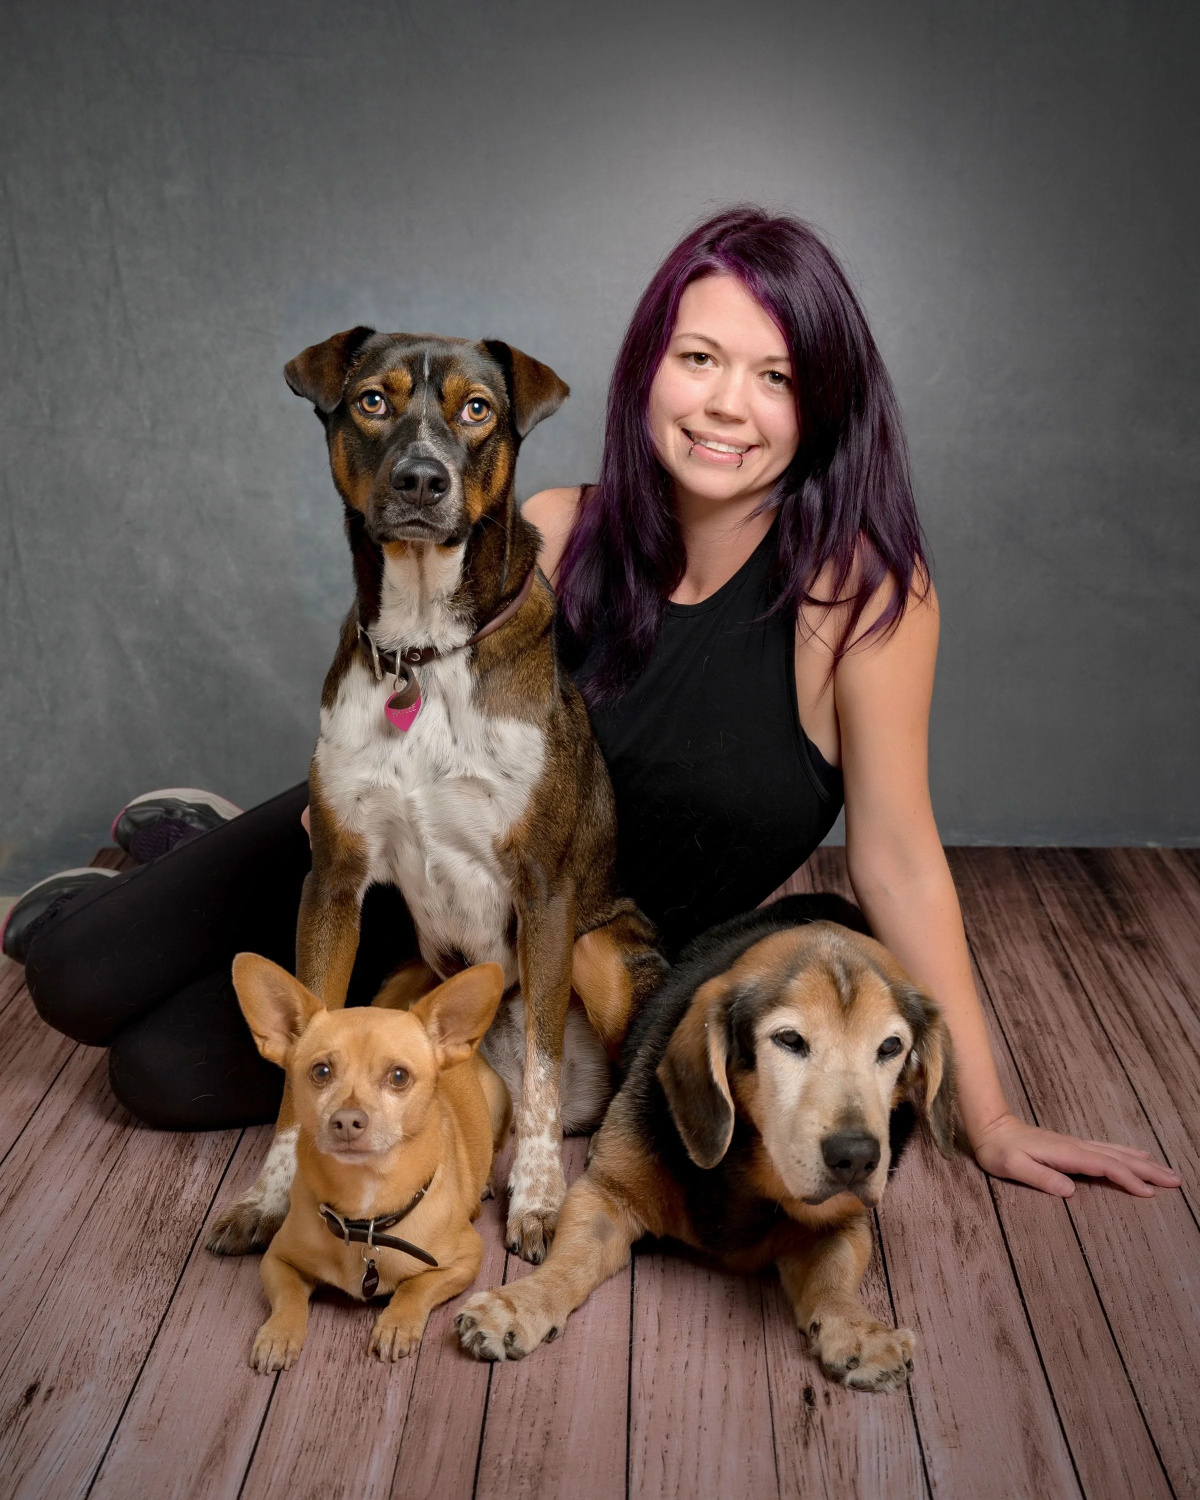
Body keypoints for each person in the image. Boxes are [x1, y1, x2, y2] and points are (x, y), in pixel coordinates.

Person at [12, 207, 1178, 1201]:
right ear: (648, 369)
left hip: (538, 955)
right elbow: (399, 664)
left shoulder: (863, 599)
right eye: (700, 359)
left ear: (823, 403)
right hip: (375, 853)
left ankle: (171, 852)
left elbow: (901, 864)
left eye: (775, 377)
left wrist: (993, 1116)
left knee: (153, 1076)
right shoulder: (561, 532)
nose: (728, 405)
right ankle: (194, 851)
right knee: (70, 977)